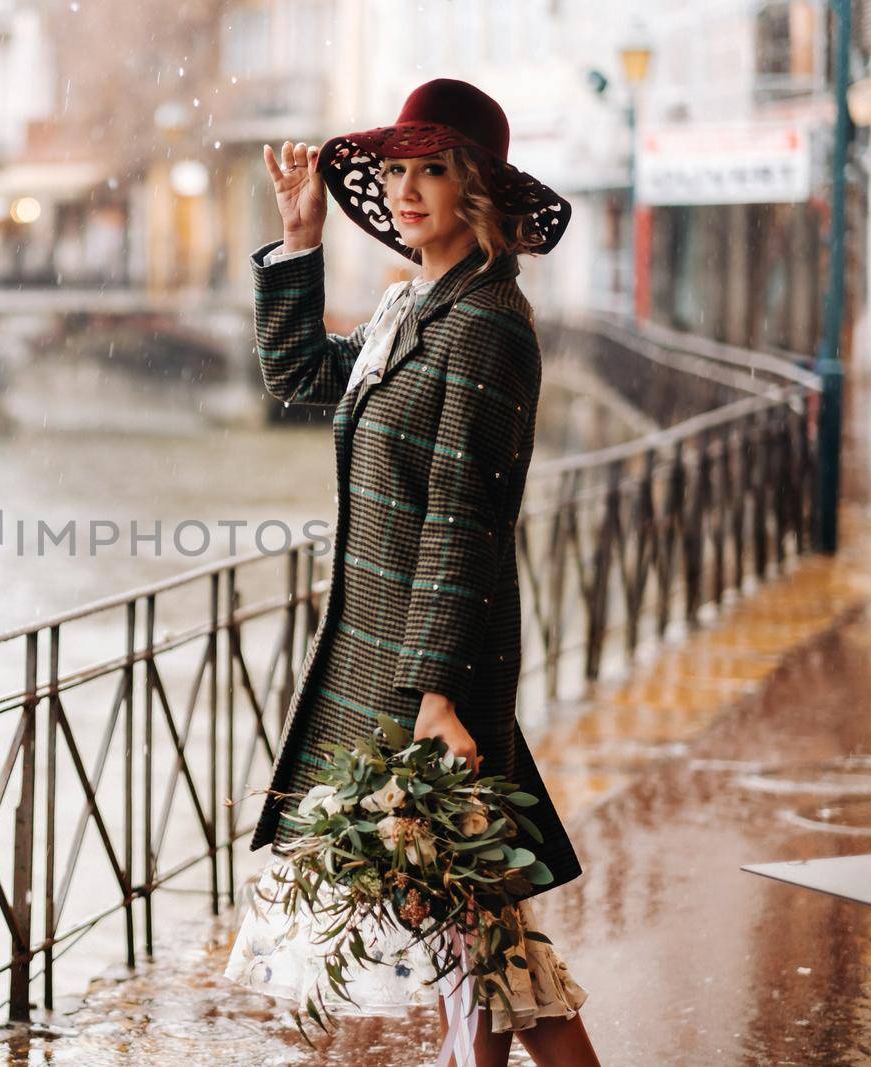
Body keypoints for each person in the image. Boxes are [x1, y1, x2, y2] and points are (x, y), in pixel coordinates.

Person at [221, 79, 601, 1067]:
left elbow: (460, 518)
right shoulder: (416, 307)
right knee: (476, 931)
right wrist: (299, 240)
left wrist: (436, 694)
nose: (406, 188)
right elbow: (301, 378)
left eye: (433, 168)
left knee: (463, 924)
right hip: (381, 659)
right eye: (394, 169)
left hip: (422, 675)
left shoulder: (484, 323)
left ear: (479, 188)